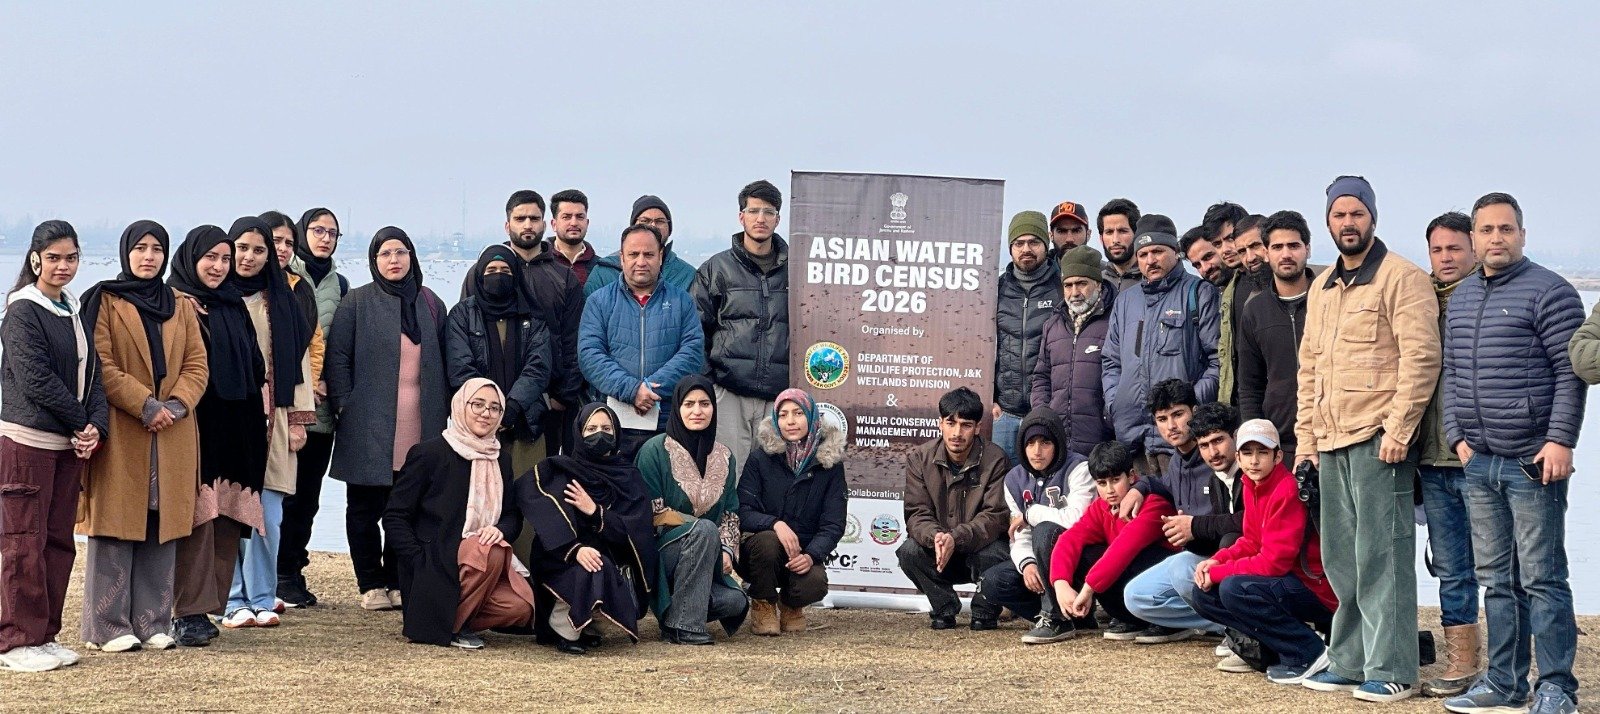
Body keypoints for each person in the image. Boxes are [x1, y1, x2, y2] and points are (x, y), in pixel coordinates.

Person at [1295, 176, 1438, 703]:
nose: (1348, 223)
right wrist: (1306, 443)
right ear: (1328, 222)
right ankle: (1350, 660)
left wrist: (1399, 430)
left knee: (1383, 555)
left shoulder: (1403, 278)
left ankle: (1393, 666)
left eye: (1357, 213)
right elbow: (1309, 368)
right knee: (1341, 559)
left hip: (1380, 439)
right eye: (1339, 215)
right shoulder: (1323, 286)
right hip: (1330, 440)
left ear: (1372, 218)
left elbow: (1421, 358)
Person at [1441, 193, 1585, 714]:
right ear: (1474, 237)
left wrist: (1560, 440)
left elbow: (1571, 372)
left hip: (1533, 461)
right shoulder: (1462, 296)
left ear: (1522, 234)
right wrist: (1456, 436)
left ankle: (1557, 688)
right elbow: (1451, 371)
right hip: (1479, 461)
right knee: (1497, 581)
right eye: (1487, 230)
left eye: (1506, 228)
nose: (1496, 238)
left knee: (1543, 578)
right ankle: (1504, 682)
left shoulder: (1552, 291)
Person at [78, 220, 209, 653]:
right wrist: (145, 405)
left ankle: (153, 622)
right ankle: (107, 626)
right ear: (126, 252)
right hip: (124, 427)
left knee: (162, 522)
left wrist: (177, 404)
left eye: (157, 248)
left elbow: (197, 363)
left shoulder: (179, 304)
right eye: (140, 248)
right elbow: (100, 364)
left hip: (174, 430)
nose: (148, 256)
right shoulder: (105, 300)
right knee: (116, 524)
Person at [0, 221, 108, 672]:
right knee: (22, 541)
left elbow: (93, 375)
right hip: (27, 443)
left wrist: (96, 426)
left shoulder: (71, 308)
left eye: (71, 257)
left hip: (67, 445)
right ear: (35, 260)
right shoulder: (22, 310)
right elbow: (35, 379)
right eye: (54, 258)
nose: (63, 266)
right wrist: (81, 422)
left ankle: (44, 635)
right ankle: (15, 640)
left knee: (59, 541)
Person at [326, 227, 450, 612]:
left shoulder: (431, 303)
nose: (393, 260)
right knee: (365, 508)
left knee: (408, 506)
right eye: (385, 254)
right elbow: (338, 358)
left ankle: (398, 580)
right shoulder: (357, 302)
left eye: (400, 252)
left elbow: (446, 359)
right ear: (373, 260)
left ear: (412, 256)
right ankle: (370, 583)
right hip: (367, 422)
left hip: (421, 421)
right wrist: (345, 405)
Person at [166, 224, 268, 647]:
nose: (219, 266)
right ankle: (185, 611)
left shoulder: (231, 303)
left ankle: (209, 605)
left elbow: (256, 365)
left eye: (225, 259)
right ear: (191, 258)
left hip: (239, 425)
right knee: (197, 518)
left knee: (227, 519)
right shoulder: (175, 303)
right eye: (210, 257)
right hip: (197, 425)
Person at [385, 378, 535, 650]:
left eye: (494, 408)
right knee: (492, 551)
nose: (485, 413)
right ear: (460, 405)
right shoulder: (429, 453)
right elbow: (395, 516)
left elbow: (512, 516)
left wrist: (499, 530)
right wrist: (417, 560)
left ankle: (448, 621)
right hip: (434, 562)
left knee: (520, 607)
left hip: (478, 563)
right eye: (478, 404)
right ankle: (450, 626)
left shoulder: (500, 458)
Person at [222, 217, 316, 630]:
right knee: (228, 509)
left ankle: (262, 596)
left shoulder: (282, 302)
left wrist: (298, 420)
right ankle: (231, 598)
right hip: (228, 421)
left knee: (269, 514)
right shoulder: (215, 299)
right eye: (241, 248)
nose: (249, 257)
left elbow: (299, 363)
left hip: (274, 419)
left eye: (258, 250)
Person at [1191, 419, 1337, 684]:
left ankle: (1309, 652)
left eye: (1262, 452)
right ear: (1238, 457)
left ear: (1278, 456)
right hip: (1289, 584)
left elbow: (1273, 563)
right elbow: (1251, 541)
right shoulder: (1251, 484)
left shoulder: (1286, 488)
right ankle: (1275, 648)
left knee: (1234, 588)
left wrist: (1220, 573)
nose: (1254, 461)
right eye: (1247, 453)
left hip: (1316, 588)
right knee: (1203, 595)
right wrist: (1216, 560)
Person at [518, 404, 658, 654]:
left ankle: (589, 627)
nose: (599, 434)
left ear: (617, 433)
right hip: (561, 555)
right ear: (579, 432)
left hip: (610, 556)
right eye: (591, 429)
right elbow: (537, 503)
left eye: (606, 428)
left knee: (602, 565)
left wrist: (595, 511)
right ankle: (564, 629)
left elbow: (636, 529)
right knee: (591, 566)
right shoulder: (562, 470)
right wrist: (575, 549)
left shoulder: (629, 477)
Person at [1414, 211, 1484, 698]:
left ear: (1474, 249)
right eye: (1437, 249)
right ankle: (1462, 660)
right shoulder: (1418, 299)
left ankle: (1507, 661)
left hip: (1482, 456)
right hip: (1431, 459)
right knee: (1451, 566)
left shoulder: (1487, 297)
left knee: (1501, 567)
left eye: (1455, 248)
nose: (1445, 257)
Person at [458, 191, 583, 456]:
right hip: (484, 406)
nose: (527, 225)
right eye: (520, 219)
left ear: (545, 224)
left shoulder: (563, 277)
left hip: (546, 401)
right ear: (507, 225)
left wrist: (562, 396)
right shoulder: (482, 272)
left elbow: (573, 338)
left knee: (541, 473)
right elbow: (467, 331)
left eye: (534, 219)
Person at [1120, 391, 1244, 644]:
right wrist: (1140, 487)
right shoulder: (1177, 461)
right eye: (1162, 419)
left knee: (1182, 567)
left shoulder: (1232, 462)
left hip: (1229, 552)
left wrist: (1194, 527)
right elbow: (1164, 483)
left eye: (1178, 415)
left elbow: (1245, 522)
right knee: (1135, 596)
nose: (1172, 426)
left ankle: (1243, 626)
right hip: (1199, 551)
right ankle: (1223, 622)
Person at [1102, 213, 1221, 475]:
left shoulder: (1199, 293)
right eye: (1143, 254)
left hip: (1182, 439)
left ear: (1175, 252)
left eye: (1158, 251)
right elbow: (1111, 361)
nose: (1150, 260)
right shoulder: (1126, 301)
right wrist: (1115, 403)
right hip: (1133, 437)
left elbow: (1217, 361)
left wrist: (1191, 405)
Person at [636, 376, 749, 645]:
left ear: (714, 409)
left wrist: (725, 550)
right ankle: (684, 626)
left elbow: (730, 512)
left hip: (706, 560)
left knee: (735, 601)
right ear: (677, 408)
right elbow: (651, 513)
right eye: (689, 404)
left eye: (704, 404)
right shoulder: (654, 450)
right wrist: (699, 530)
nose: (697, 411)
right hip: (662, 554)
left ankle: (678, 615)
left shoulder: (725, 456)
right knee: (704, 529)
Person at [578, 224, 704, 461]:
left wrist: (650, 389)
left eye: (649, 254)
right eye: (633, 254)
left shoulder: (682, 301)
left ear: (661, 257)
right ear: (622, 258)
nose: (641, 261)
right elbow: (590, 355)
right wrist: (632, 390)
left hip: (668, 420)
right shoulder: (599, 301)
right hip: (613, 423)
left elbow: (692, 352)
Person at [691, 180, 791, 476]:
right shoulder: (716, 269)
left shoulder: (797, 269)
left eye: (768, 212)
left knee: (772, 480)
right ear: (741, 216)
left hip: (779, 396)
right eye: (753, 210)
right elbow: (695, 330)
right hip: (729, 393)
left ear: (778, 219)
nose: (761, 218)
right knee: (726, 475)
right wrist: (711, 383)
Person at [978, 406, 1094, 644]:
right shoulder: (1014, 479)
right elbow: (1018, 534)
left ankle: (1056, 619)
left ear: (1057, 443)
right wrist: (1028, 564)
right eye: (1030, 443)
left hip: (1078, 560)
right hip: (1041, 560)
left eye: (1045, 443)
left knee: (1045, 530)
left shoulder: (1079, 468)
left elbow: (1077, 520)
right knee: (992, 582)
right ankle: (1072, 614)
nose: (1037, 451)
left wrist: (1031, 514)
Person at [897, 387, 1010, 630]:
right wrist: (937, 537)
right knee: (909, 552)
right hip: (938, 550)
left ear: (978, 427)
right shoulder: (920, 458)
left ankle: (985, 611)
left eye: (966, 425)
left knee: (998, 554)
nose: (957, 433)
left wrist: (955, 538)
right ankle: (943, 608)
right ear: (940, 423)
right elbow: (916, 513)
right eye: (951, 423)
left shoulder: (996, 459)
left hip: (979, 550)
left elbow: (996, 516)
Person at [737, 389, 847, 636]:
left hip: (802, 552)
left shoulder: (830, 465)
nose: (791, 421)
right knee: (767, 542)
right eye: (783, 414)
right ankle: (763, 603)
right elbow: (742, 510)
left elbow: (833, 524)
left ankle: (791, 605)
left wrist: (810, 555)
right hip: (760, 553)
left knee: (814, 584)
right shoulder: (760, 459)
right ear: (776, 420)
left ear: (811, 416)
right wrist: (775, 524)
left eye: (798, 413)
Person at [279, 207, 347, 607]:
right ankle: (269, 572)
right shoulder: (286, 275)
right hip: (284, 402)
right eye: (317, 230)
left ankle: (292, 570)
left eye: (332, 233)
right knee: (279, 492)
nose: (325, 238)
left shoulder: (341, 284)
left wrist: (330, 384)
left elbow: (340, 344)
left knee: (307, 495)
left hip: (321, 411)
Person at [1048, 441, 1179, 640]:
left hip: (1165, 579)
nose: (1110, 490)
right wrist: (1060, 584)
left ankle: (1170, 620)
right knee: (1087, 554)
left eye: (1116, 480)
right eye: (1102, 483)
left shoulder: (1152, 502)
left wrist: (1087, 590)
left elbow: (1124, 548)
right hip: (1133, 582)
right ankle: (1131, 618)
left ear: (1131, 476)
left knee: (1131, 557)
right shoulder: (1100, 507)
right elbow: (1069, 539)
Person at [448, 244, 554, 474]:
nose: (498, 276)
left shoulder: (532, 315)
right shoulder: (462, 315)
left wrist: (512, 407)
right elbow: (460, 367)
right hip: (477, 425)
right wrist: (490, 408)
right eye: (491, 270)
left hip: (526, 421)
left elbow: (538, 367)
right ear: (479, 275)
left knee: (527, 489)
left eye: (505, 271)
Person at [1236, 211, 1315, 456]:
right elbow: (1250, 386)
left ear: (1307, 249)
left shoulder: (1329, 299)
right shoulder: (1254, 311)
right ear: (1267, 253)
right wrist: (1256, 442)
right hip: (1281, 442)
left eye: (1294, 245)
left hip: (1334, 435)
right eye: (1277, 247)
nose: (1286, 254)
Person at [1030, 246, 1114, 460]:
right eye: (1068, 285)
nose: (1074, 292)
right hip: (1057, 441)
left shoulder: (1115, 321)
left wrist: (1109, 419)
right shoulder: (1053, 324)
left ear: (1098, 284)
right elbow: (1041, 376)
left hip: (1101, 441)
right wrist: (1043, 415)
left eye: (1081, 283)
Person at [993, 210, 1063, 464]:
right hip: (1004, 414)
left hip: (1046, 411)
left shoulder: (1062, 287)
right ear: (1010, 248)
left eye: (1034, 242)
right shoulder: (996, 288)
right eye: (1019, 243)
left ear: (1046, 244)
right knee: (1001, 482)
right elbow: (983, 346)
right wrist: (990, 398)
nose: (1026, 249)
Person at [587, 195, 698, 297]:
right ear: (633, 227)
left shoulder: (686, 274)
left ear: (669, 229)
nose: (653, 226)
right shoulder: (604, 272)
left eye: (660, 221)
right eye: (645, 221)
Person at [545, 189, 599, 284]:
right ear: (554, 224)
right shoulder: (540, 263)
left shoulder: (599, 268)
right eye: (566, 217)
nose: (574, 223)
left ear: (587, 223)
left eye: (580, 217)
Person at [1096, 199, 1143, 291]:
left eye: (1122, 231)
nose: (1115, 240)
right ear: (1101, 239)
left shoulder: (1151, 280)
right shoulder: (1096, 283)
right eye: (1109, 232)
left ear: (1137, 234)